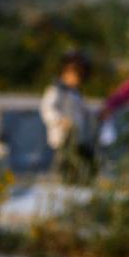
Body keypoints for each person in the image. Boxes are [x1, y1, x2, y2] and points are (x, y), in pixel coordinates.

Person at [39, 50, 95, 181]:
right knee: (64, 160)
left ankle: (78, 180)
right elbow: (47, 108)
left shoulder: (76, 93)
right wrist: (59, 120)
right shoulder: (56, 90)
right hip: (62, 135)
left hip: (77, 135)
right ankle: (63, 180)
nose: (77, 80)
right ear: (65, 73)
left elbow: (82, 110)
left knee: (79, 159)